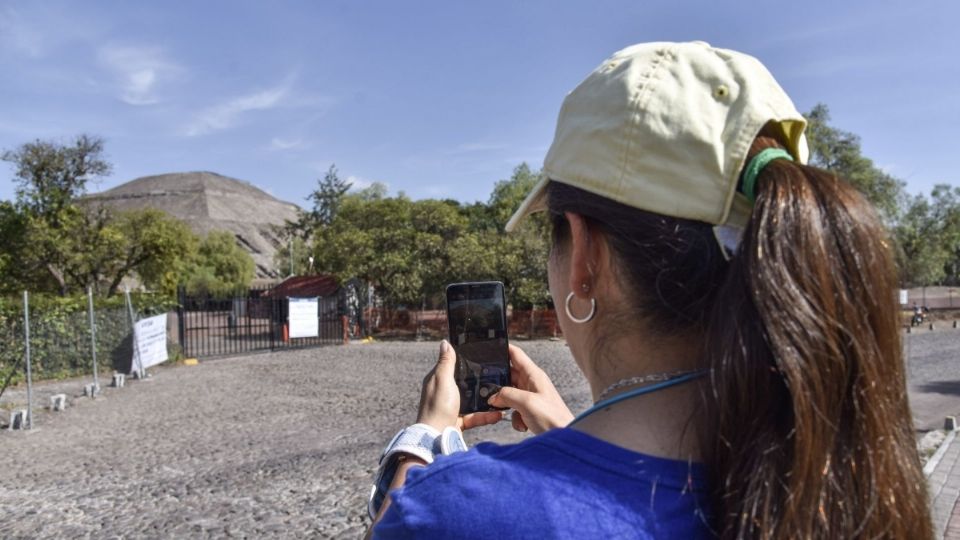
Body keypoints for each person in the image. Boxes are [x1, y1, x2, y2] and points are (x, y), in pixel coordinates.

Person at [366, 41, 932, 539]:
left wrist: (424, 436)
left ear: (585, 256)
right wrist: (573, 438)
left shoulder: (459, 514)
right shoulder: (852, 482)